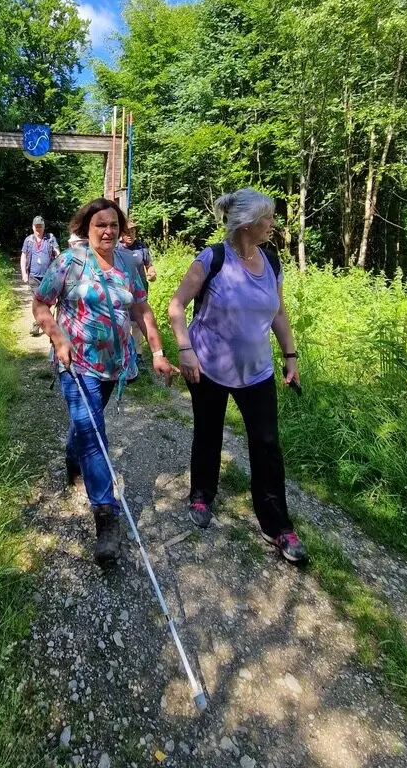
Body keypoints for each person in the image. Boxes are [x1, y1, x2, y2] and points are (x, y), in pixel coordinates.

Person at [32, 198, 177, 566]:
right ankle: (106, 518)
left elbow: (141, 309)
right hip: (76, 364)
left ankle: (72, 458)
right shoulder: (69, 262)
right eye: (101, 225)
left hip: (114, 366)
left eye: (114, 224)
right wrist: (58, 339)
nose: (108, 231)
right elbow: (40, 304)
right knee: (95, 434)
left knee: (85, 428)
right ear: (87, 228)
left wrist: (158, 352)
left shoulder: (127, 263)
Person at [167, 188, 308, 565]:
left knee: (267, 445)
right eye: (268, 218)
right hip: (207, 366)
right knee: (208, 432)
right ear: (247, 223)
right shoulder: (212, 259)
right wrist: (184, 349)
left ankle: (277, 525)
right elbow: (176, 306)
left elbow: (278, 313)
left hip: (256, 371)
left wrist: (291, 357)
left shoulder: (272, 263)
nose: (273, 224)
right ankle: (201, 495)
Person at [117, 220, 157, 365]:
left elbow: (149, 266)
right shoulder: (115, 248)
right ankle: (123, 352)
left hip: (139, 291)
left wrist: (152, 274)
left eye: (133, 232)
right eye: (127, 232)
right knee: (122, 321)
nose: (131, 235)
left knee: (137, 321)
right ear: (121, 234)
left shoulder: (141, 248)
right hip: (120, 291)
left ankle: (138, 355)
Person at [20, 216, 60, 336]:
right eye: (36, 226)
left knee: (48, 301)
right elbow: (23, 257)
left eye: (40, 226)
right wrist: (24, 273)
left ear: (44, 227)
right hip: (33, 277)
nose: (38, 229)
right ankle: (41, 325)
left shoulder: (50, 239)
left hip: (49, 276)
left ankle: (39, 323)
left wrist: (58, 259)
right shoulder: (28, 240)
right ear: (33, 227)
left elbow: (58, 254)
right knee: (38, 301)